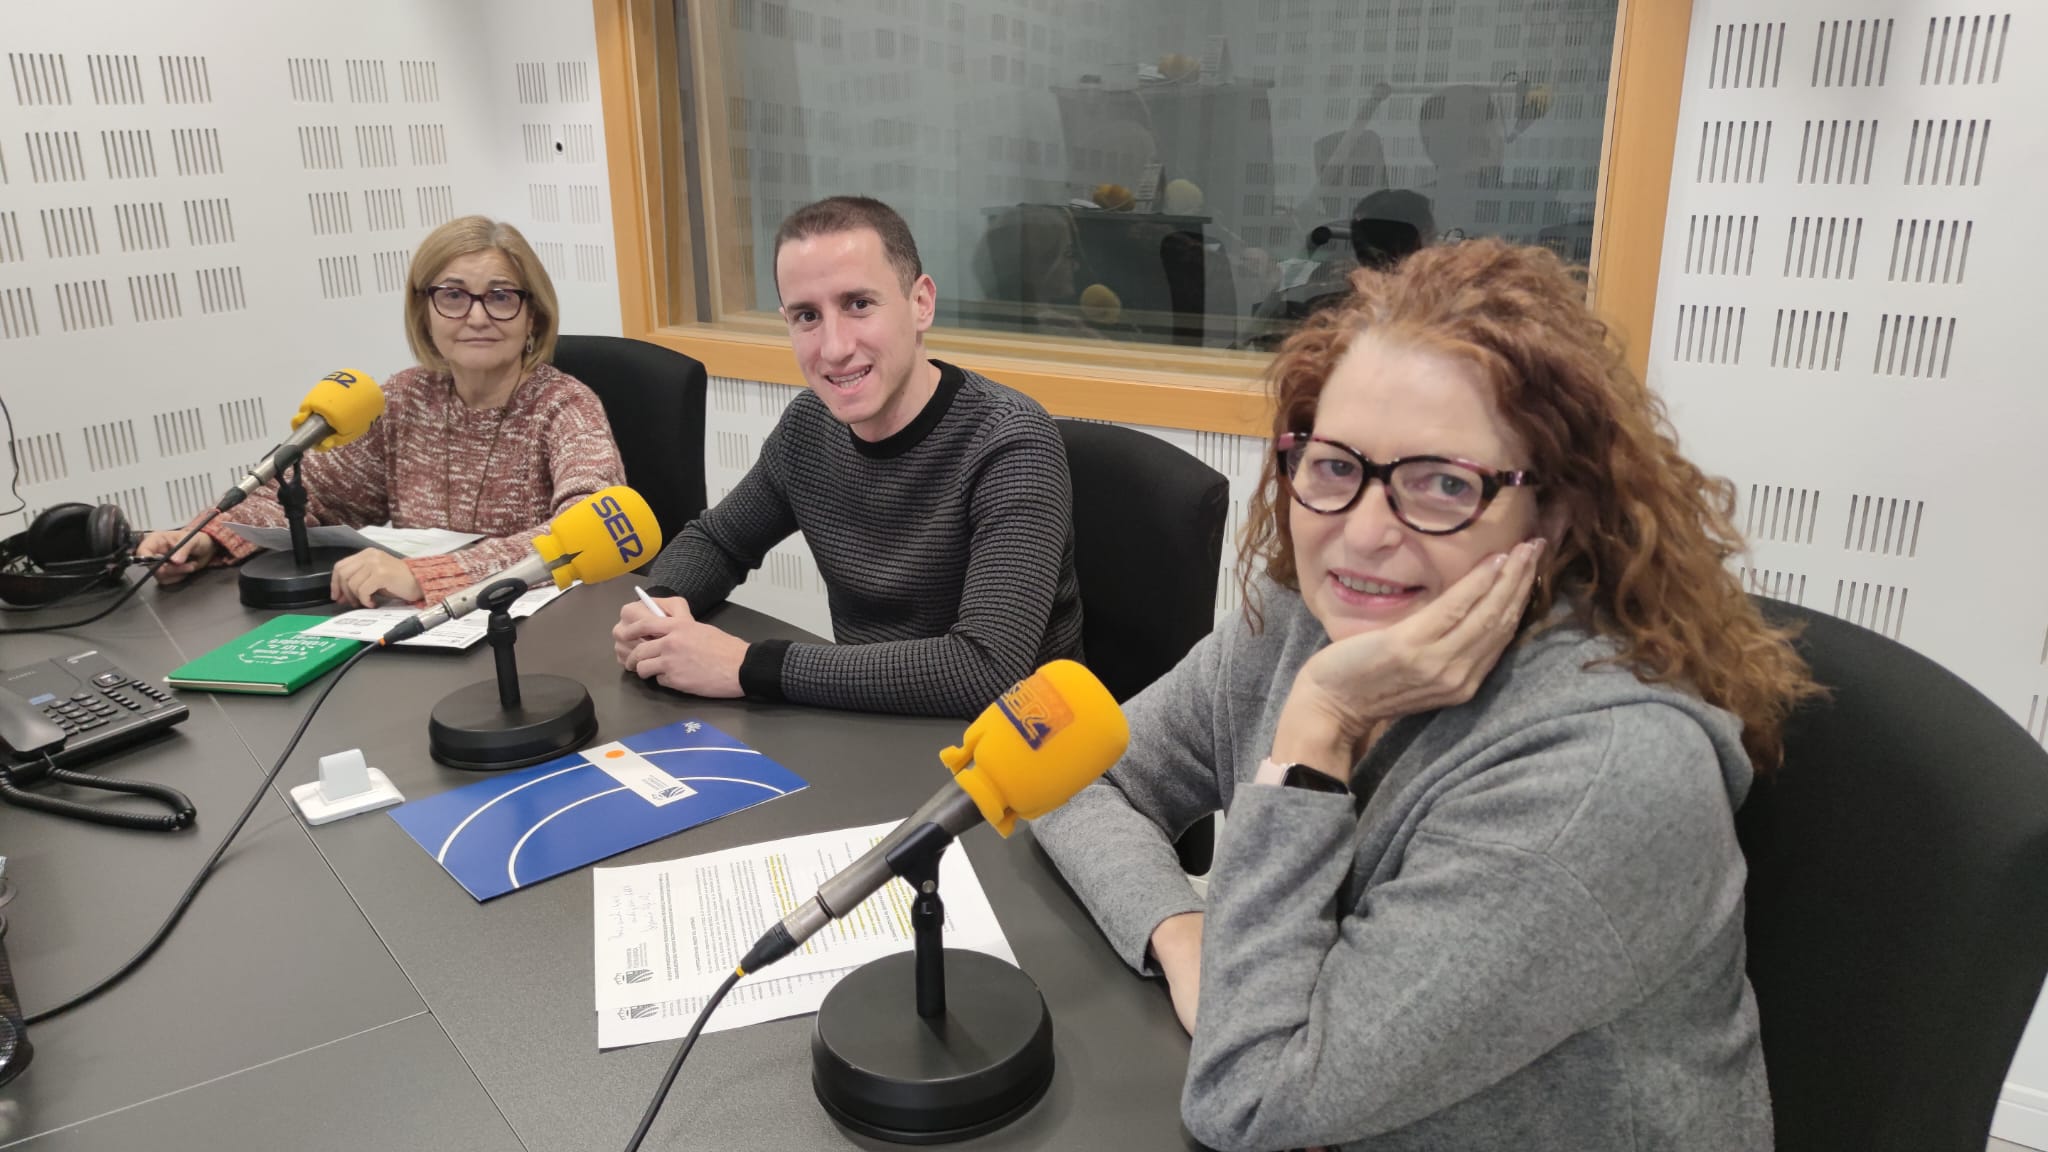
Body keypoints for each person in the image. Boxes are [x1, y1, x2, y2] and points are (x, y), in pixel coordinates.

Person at [1034, 239, 1818, 1151]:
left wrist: (1318, 733)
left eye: (1443, 484)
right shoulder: (1302, 620)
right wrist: (1179, 932)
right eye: (1335, 467)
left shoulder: (1603, 774)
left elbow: (1250, 1098)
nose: (1364, 534)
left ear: (1555, 512)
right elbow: (1073, 775)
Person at [611, 195, 1083, 717]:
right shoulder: (809, 425)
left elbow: (985, 669)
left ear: (921, 303)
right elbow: (717, 541)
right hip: (869, 726)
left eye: (858, 304)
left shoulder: (1011, 441)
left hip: (1013, 745)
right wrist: (661, 608)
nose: (834, 348)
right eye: (807, 316)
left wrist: (747, 666)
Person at [137, 216, 624, 607]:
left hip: (539, 628)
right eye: (453, 296)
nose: (477, 317)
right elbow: (311, 497)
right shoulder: (405, 399)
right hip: (424, 629)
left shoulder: (565, 406)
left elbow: (589, 529)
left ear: (533, 315)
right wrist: (207, 536)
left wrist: (430, 576)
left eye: (500, 297)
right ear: (425, 313)